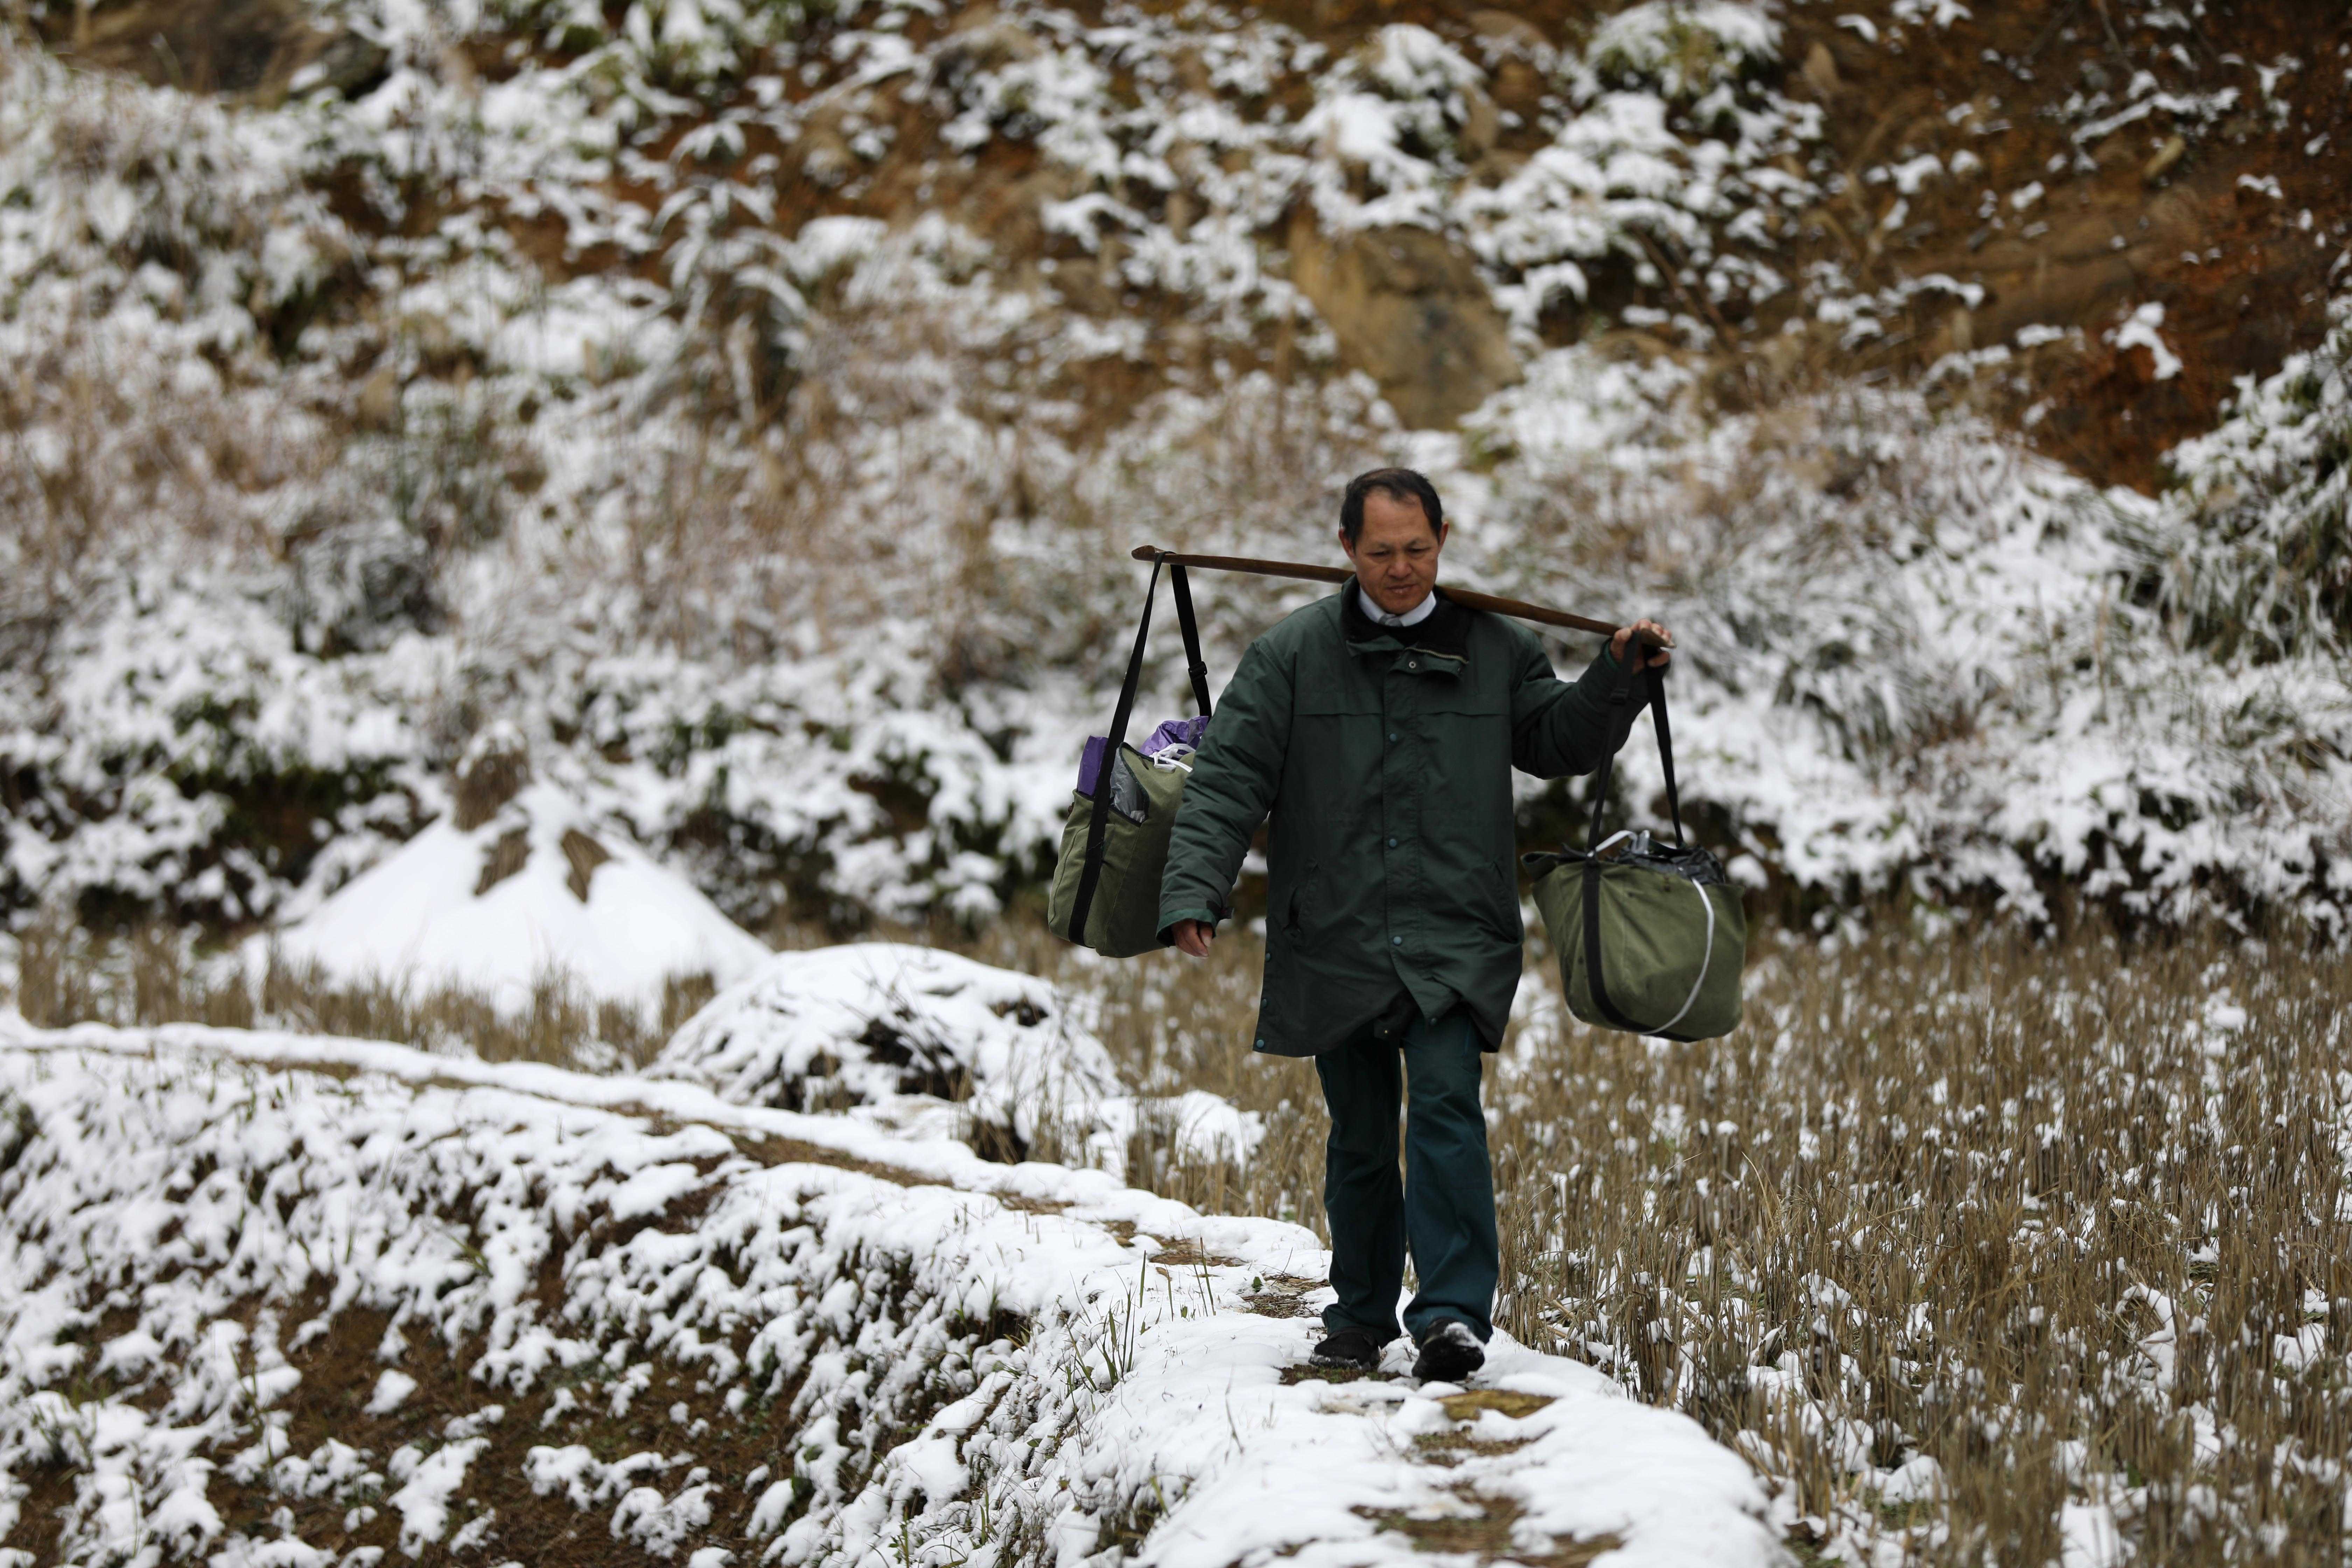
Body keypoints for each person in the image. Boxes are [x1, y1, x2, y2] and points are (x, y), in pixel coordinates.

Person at [1157, 468, 1672, 1382]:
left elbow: (1556, 742)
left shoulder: (1496, 647)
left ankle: (1449, 1319)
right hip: (1336, 929)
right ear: (1347, 549)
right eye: (1383, 552)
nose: (1403, 569)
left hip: (1453, 927)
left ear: (1445, 539)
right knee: (1359, 1134)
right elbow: (1228, 779)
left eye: (1419, 550)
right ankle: (1357, 1316)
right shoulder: (1290, 656)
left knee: (1445, 1110)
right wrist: (1196, 890)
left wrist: (1615, 679)